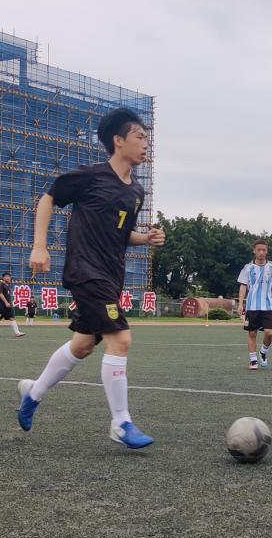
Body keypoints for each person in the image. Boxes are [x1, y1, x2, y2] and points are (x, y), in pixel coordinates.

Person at [16, 107, 166, 449]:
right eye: (140, 137)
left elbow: (121, 233)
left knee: (83, 345)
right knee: (120, 339)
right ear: (118, 140)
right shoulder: (90, 177)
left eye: (147, 138)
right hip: (85, 271)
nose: (146, 144)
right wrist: (39, 246)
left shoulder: (136, 191)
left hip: (112, 275)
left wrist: (145, 238)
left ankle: (33, 393)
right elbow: (48, 199)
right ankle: (121, 423)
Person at [237, 239, 272, 370]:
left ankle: (263, 352)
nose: (261, 252)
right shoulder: (248, 268)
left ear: (267, 251)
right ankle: (253, 361)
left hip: (268, 306)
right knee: (252, 333)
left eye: (264, 250)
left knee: (269, 333)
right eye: (259, 250)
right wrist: (240, 304)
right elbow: (243, 286)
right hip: (252, 306)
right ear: (254, 251)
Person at [0, 273, 25, 338]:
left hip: (8, 306)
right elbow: (0, 294)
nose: (8, 278)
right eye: (6, 276)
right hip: (2, 305)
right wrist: (6, 302)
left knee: (12, 318)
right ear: (3, 278)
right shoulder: (1, 285)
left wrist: (9, 303)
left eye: (9, 276)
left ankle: (17, 333)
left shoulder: (7, 285)